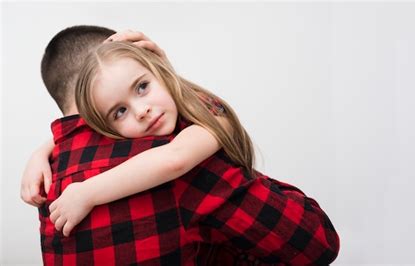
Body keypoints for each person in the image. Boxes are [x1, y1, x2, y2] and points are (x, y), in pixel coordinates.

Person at [23, 26, 340, 265]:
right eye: (120, 110)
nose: (143, 110)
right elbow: (316, 244)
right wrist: (167, 75)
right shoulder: (176, 162)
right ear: (100, 117)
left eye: (143, 86)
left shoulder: (49, 180)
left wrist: (44, 150)